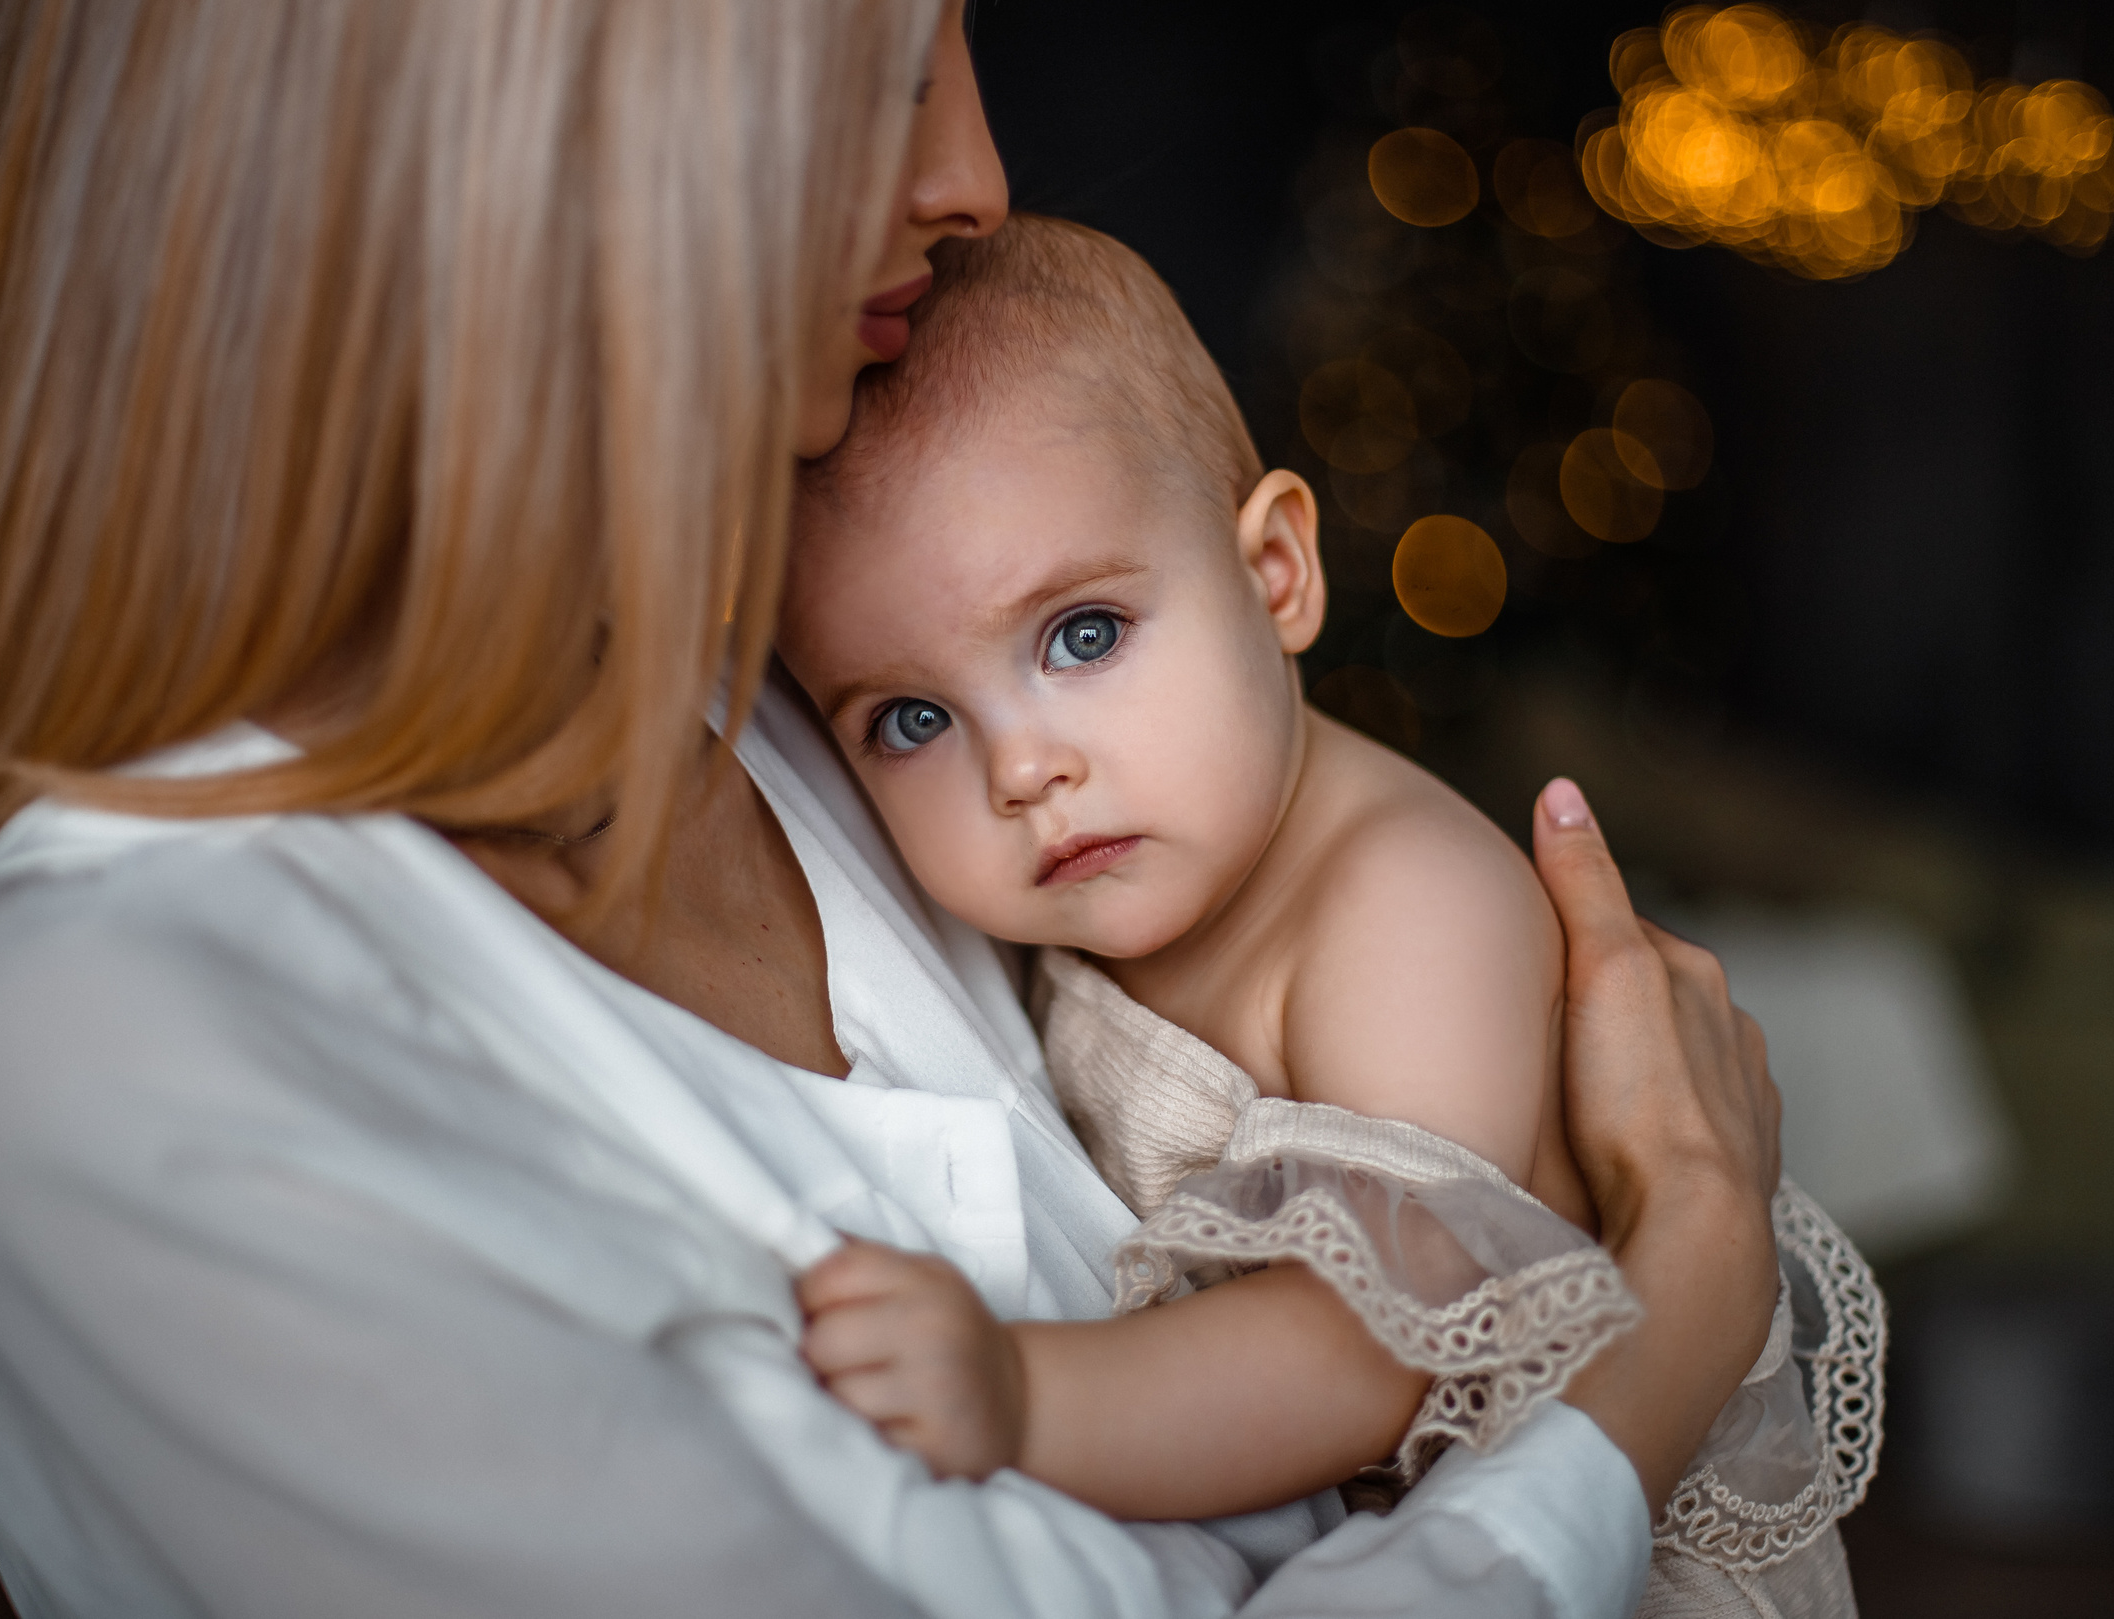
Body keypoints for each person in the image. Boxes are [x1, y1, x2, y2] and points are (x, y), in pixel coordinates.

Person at [0, 0, 1783, 1614]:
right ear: (508, 98)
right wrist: (1684, 1293)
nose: (975, 176)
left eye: (965, 21)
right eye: (871, 53)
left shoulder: (795, 697)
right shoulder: (102, 1043)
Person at [777, 214, 1882, 1615]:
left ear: (1277, 574)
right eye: (912, 719)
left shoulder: (1401, 909)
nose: (1020, 767)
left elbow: (1370, 1350)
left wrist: (1021, 1392)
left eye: (1084, 635)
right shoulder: (1102, 880)